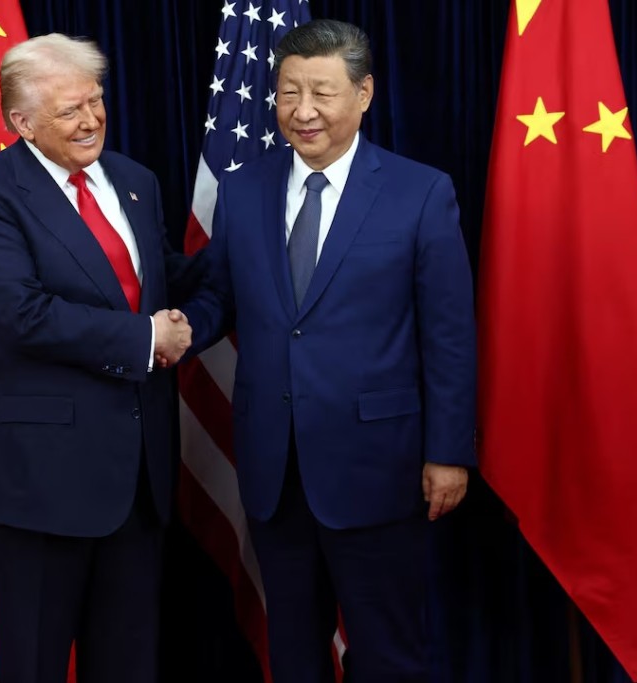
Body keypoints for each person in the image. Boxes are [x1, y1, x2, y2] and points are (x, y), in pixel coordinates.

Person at [180, 19, 476, 682]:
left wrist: (449, 451)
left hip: (378, 465)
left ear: (363, 94)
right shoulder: (244, 188)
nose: (302, 111)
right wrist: (169, 332)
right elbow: (221, 299)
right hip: (273, 466)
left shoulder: (420, 193)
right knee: (292, 650)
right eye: (288, 93)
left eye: (321, 92)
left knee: (388, 650)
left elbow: (449, 334)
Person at [0, 33, 198, 683]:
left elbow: (162, 280)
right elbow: (20, 314)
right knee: (34, 661)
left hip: (139, 475)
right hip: (40, 478)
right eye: (69, 110)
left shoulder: (136, 181)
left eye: (96, 101)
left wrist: (243, 260)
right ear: (22, 122)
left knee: (129, 661)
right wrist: (148, 339)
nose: (90, 120)